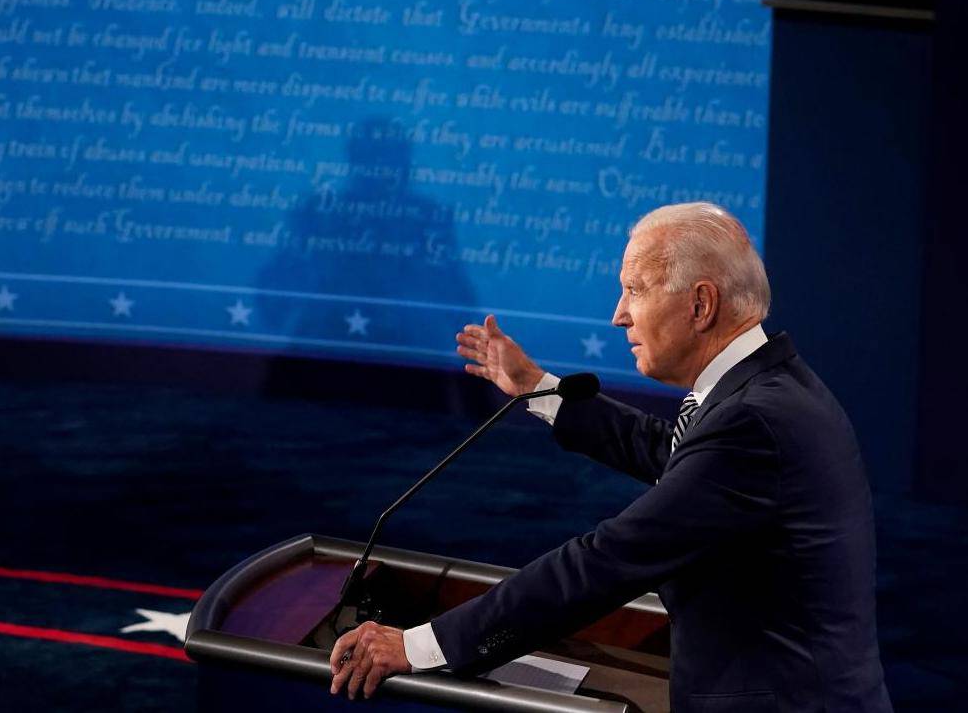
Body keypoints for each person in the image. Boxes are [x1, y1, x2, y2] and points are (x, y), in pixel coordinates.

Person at [329, 202, 893, 711]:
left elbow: (606, 560)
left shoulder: (752, 423)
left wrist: (420, 645)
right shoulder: (769, 389)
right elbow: (673, 453)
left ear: (701, 304)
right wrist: (537, 388)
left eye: (636, 290)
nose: (618, 315)